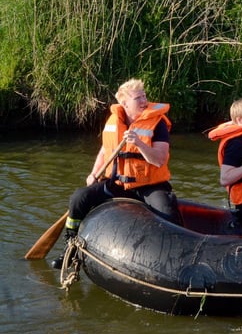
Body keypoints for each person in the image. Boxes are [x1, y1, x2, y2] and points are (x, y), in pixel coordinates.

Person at [55, 78, 180, 269]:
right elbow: (106, 150)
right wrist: (94, 173)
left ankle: (174, 260)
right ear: (124, 103)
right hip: (118, 184)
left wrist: (139, 143)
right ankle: (71, 247)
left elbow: (159, 159)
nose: (144, 100)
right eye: (138, 98)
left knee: (168, 212)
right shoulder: (114, 121)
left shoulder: (158, 124)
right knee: (78, 198)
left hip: (149, 186)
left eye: (144, 95)